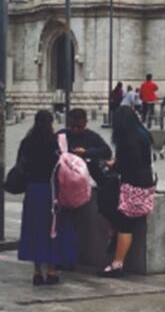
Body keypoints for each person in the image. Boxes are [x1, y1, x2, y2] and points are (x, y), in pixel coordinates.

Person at [16, 110, 77, 285]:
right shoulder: (55, 144)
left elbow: (21, 166)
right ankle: (51, 269)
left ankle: (36, 271)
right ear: (50, 123)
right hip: (52, 190)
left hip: (33, 191)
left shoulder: (26, 143)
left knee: (34, 228)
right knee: (54, 229)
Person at [100, 106, 156, 277]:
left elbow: (129, 164)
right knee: (121, 219)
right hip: (146, 182)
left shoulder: (127, 139)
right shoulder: (144, 135)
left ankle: (117, 264)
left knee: (125, 224)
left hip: (132, 184)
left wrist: (113, 165)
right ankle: (114, 242)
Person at [57, 108, 112, 183]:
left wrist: (86, 152)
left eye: (79, 127)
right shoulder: (61, 135)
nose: (75, 130)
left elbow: (107, 151)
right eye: (72, 126)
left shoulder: (91, 136)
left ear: (85, 123)